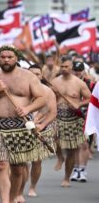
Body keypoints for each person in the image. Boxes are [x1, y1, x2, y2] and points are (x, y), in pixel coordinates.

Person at [0, 45, 47, 203]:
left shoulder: (28, 77)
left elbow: (42, 98)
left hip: (21, 128)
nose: (6, 60)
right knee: (1, 165)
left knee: (17, 170)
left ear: (17, 58)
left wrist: (28, 108)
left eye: (10, 57)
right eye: (3, 57)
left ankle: (12, 197)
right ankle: (5, 201)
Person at [51, 56, 91, 187]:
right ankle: (59, 157)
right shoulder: (55, 82)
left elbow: (90, 99)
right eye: (62, 66)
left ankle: (67, 178)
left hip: (74, 119)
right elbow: (47, 99)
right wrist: (53, 93)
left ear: (72, 67)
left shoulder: (79, 83)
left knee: (72, 151)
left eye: (66, 66)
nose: (63, 69)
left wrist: (79, 104)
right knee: (52, 136)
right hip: (58, 117)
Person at [20, 64, 57, 198]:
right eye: (32, 74)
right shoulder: (21, 90)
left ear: (41, 76)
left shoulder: (48, 91)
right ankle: (19, 190)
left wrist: (42, 125)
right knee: (21, 161)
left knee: (37, 161)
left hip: (41, 128)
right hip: (22, 129)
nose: (35, 76)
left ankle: (32, 187)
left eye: (37, 74)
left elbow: (53, 113)